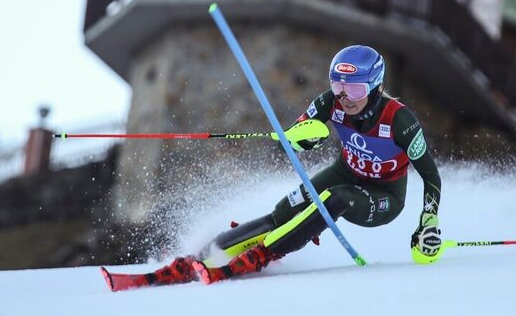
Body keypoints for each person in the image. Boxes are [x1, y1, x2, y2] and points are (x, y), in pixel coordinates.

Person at [105, 45, 443, 289]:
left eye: (353, 88)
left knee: (335, 198)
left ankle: (260, 257)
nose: (344, 97)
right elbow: (289, 139)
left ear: (374, 86)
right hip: (346, 170)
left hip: (384, 196)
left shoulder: (399, 120)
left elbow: (430, 174)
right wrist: (299, 138)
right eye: (338, 86)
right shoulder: (330, 103)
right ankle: (199, 256)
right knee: (281, 213)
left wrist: (428, 222)